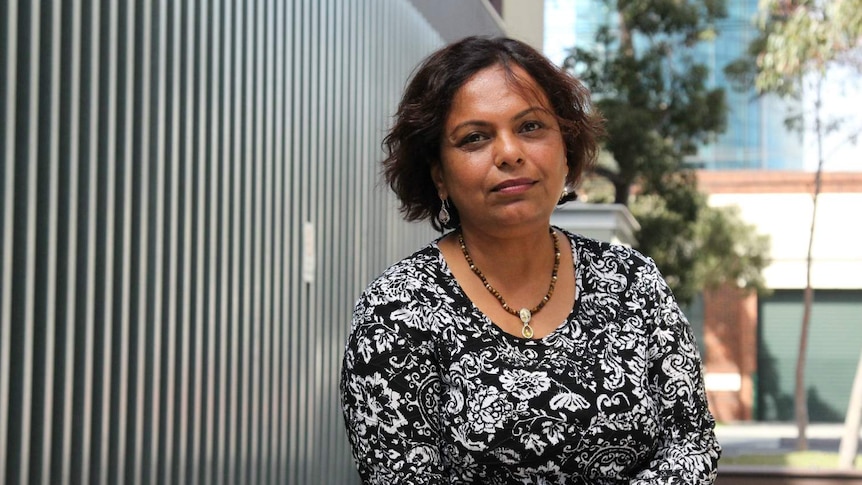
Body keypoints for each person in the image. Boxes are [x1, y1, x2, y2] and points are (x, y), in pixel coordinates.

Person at [340, 36, 720, 484]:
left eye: (531, 127)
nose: (509, 152)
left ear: (566, 149)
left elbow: (692, 445)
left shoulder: (633, 283)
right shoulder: (396, 312)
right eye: (475, 138)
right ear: (438, 173)